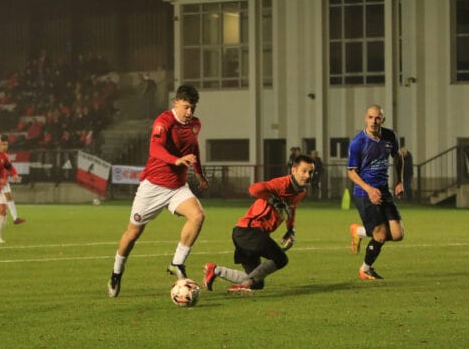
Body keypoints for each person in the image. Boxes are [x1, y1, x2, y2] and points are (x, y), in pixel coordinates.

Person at [108, 84, 209, 298]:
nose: (189, 113)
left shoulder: (195, 124)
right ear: (176, 103)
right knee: (132, 234)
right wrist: (176, 160)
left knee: (198, 215)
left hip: (177, 187)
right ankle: (117, 271)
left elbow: (194, 147)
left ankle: (177, 262)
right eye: (186, 107)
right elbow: (155, 149)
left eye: (193, 108)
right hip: (153, 187)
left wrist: (199, 173)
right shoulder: (164, 122)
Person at [203, 155, 314, 295]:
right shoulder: (281, 184)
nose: (308, 175)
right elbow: (253, 189)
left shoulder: (301, 192)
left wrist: (290, 229)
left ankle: (216, 270)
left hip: (250, 233)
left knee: (257, 282)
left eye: (310, 172)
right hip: (248, 231)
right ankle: (242, 286)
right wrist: (272, 199)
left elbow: (291, 208)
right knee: (280, 258)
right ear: (293, 170)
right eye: (304, 171)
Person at [347, 104, 404, 280]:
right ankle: (365, 269)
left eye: (377, 117)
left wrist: (400, 180)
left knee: (397, 234)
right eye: (370, 117)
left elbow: (398, 156)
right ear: (366, 118)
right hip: (364, 193)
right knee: (380, 235)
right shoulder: (358, 142)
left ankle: (359, 232)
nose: (373, 121)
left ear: (383, 120)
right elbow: (351, 172)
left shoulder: (389, 136)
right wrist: (369, 189)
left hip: (383, 191)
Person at [0, 135, 26, 225]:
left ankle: (15, 218)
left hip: (4, 181)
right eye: (3, 144)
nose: (5, 146)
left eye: (6, 144)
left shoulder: (5, 156)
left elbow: (10, 167)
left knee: (9, 198)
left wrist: (14, 174)